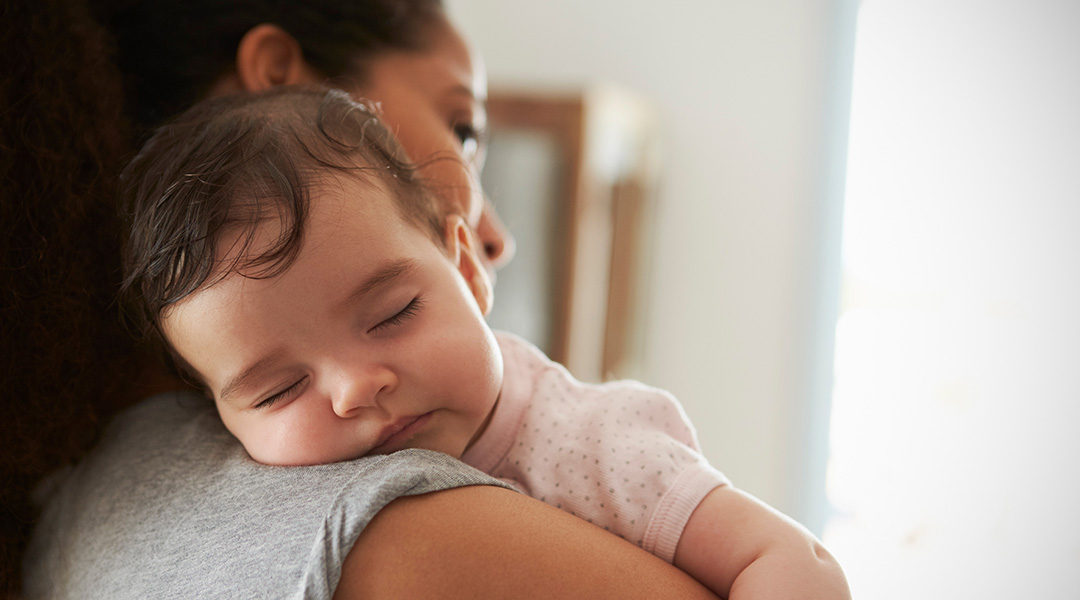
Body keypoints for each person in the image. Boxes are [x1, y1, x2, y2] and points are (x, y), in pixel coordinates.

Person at [13, 0, 723, 597]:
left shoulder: (67, 510)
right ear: (273, 82)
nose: (496, 239)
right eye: (462, 129)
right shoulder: (398, 534)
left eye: (391, 313)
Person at [118, 86, 851, 599]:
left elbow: (794, 560)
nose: (353, 388)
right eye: (278, 390)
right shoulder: (248, 496)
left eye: (393, 313)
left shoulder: (595, 445)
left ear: (466, 266)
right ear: (217, 414)